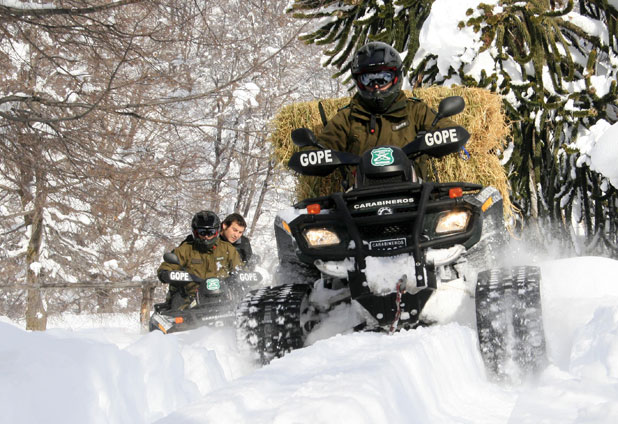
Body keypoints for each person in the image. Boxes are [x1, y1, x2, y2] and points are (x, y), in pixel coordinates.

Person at [317, 41, 458, 181]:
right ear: (359, 82)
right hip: (360, 195)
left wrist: (429, 140)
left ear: (396, 76)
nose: (376, 86)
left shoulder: (415, 111)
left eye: (384, 78)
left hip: (413, 191)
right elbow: (322, 145)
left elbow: (452, 131)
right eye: (368, 79)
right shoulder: (348, 118)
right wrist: (315, 155)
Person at [157, 210, 242, 310]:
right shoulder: (186, 249)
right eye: (202, 232)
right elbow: (166, 268)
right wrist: (166, 273)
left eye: (210, 232)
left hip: (222, 299)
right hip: (190, 301)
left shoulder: (228, 249)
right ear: (195, 232)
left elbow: (239, 270)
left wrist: (240, 277)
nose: (206, 236)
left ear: (217, 232)